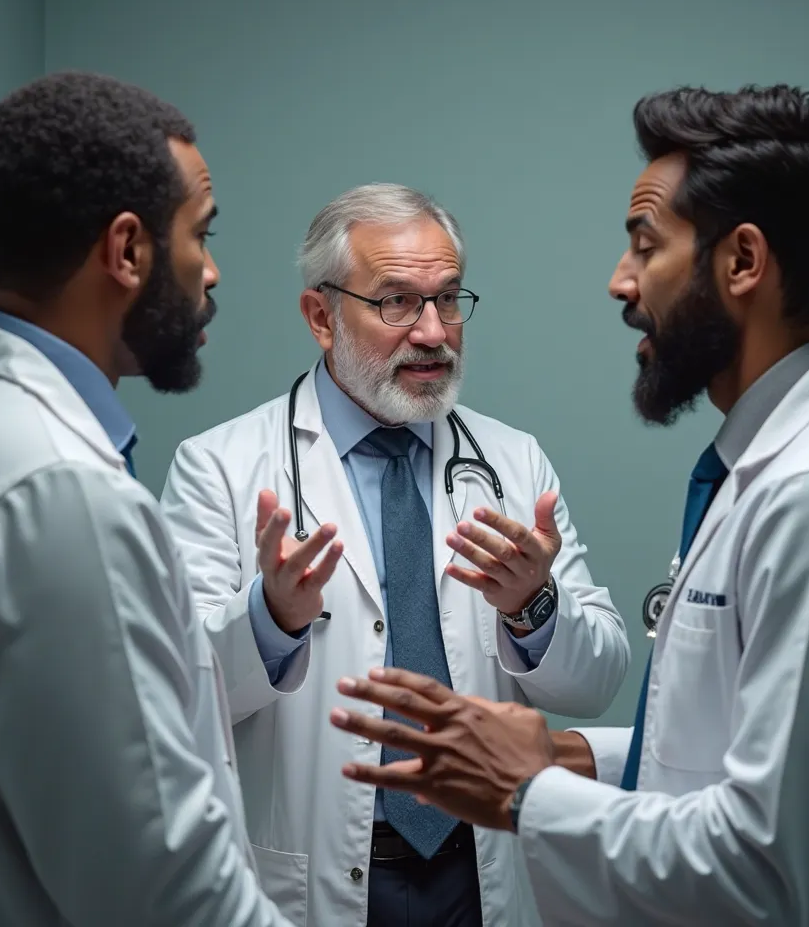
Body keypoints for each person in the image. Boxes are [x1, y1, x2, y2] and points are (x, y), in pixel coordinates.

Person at [329, 86, 809, 926]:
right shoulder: (774, 469)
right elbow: (734, 763)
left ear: (743, 262)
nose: (621, 282)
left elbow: (771, 877)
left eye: (645, 247)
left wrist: (525, 792)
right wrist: (570, 755)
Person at [159, 182, 631, 927]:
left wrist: (532, 608)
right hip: (316, 875)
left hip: (481, 869)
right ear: (321, 316)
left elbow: (596, 680)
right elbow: (175, 694)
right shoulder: (218, 466)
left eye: (448, 300)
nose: (434, 331)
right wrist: (272, 618)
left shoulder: (512, 462)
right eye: (397, 302)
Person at [0, 71, 293, 927]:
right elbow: (166, 893)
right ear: (126, 251)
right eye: (202, 235)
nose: (213, 271)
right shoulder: (62, 491)